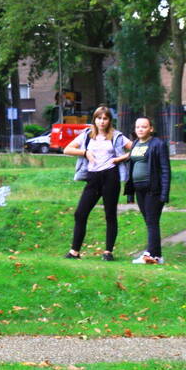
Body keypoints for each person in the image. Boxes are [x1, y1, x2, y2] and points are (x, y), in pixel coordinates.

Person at [63, 105, 131, 261]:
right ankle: (74, 252)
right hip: (93, 178)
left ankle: (108, 252)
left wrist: (119, 159)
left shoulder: (117, 136)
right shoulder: (87, 135)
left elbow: (136, 149)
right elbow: (67, 149)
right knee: (80, 213)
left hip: (111, 177)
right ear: (94, 119)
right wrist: (85, 152)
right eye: (99, 118)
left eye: (105, 118)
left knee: (110, 214)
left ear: (109, 120)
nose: (102, 121)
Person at [126, 117, 171, 264]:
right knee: (150, 221)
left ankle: (150, 254)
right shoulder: (135, 144)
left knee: (152, 221)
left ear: (151, 129)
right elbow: (131, 166)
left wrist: (164, 193)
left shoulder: (158, 144)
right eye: (138, 127)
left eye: (144, 127)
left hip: (153, 189)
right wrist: (130, 193)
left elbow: (165, 169)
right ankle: (157, 256)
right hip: (139, 189)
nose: (140, 129)